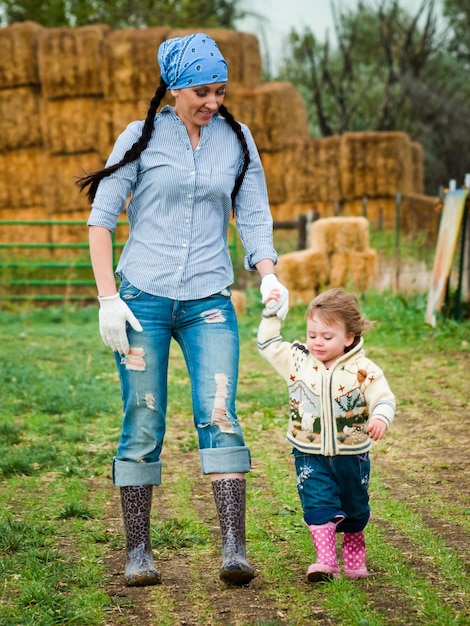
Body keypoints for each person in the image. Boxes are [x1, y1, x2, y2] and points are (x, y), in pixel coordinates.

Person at [77, 32, 289, 587]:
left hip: (209, 301)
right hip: (142, 298)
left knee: (219, 412)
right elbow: (101, 220)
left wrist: (269, 277)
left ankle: (234, 550)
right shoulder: (140, 138)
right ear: (174, 88)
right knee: (143, 418)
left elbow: (254, 215)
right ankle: (139, 553)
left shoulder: (237, 140)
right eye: (201, 91)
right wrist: (108, 297)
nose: (212, 102)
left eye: (219, 91)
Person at [257, 287, 395, 582]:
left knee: (355, 508)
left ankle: (354, 545)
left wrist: (381, 417)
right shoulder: (298, 361)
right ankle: (326, 561)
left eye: (327, 337)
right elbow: (268, 343)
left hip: (352, 455)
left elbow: (383, 397)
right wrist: (271, 313)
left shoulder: (363, 369)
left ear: (348, 337)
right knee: (317, 504)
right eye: (312, 335)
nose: (317, 343)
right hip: (308, 452)